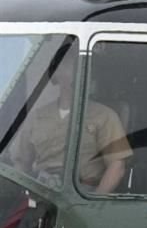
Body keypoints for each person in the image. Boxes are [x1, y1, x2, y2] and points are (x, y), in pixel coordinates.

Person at [13, 45, 131, 194]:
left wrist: (91, 204)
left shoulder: (105, 116)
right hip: (41, 194)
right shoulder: (37, 117)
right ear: (55, 73)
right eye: (69, 63)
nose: (76, 69)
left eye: (80, 64)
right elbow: (21, 163)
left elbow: (116, 167)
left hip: (82, 195)